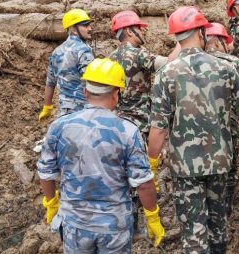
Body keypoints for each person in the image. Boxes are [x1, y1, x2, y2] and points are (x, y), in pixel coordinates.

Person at [37, 58, 165, 253]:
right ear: (117, 94)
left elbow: (46, 173)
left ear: (85, 92)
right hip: (114, 228)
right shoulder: (128, 131)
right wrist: (152, 216)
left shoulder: (59, 126)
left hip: (75, 225)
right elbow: (144, 184)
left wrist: (51, 203)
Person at [148, 6, 239, 254]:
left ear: (176, 38)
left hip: (185, 168)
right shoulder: (226, 68)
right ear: (202, 33)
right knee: (218, 227)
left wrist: (151, 163)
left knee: (194, 235)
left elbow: (158, 129)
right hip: (221, 162)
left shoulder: (165, 75)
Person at [109, 10, 180, 233]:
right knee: (141, 175)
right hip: (139, 125)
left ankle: (128, 221)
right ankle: (146, 222)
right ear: (128, 31)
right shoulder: (137, 54)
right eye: (139, 29)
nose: (142, 33)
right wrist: (182, 39)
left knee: (123, 173)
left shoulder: (110, 58)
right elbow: (168, 63)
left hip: (117, 123)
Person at [205, 23, 239, 217]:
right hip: (227, 126)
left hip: (198, 128)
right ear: (218, 41)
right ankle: (225, 209)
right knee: (230, 168)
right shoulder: (233, 63)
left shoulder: (191, 62)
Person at [38, 9, 94, 121]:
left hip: (64, 112)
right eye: (85, 26)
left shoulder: (56, 52)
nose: (90, 28)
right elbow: (92, 81)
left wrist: (47, 107)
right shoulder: (83, 50)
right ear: (73, 29)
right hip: (83, 112)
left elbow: (50, 82)